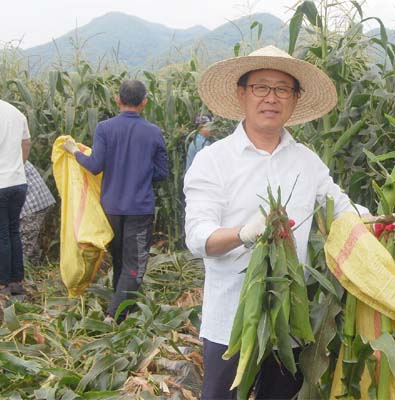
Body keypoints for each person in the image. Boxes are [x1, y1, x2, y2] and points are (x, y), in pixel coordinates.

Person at [184, 45, 370, 399]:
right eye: (261, 87)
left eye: (283, 89)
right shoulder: (213, 160)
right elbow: (197, 237)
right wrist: (243, 233)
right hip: (230, 321)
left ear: (295, 99)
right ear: (241, 93)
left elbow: (341, 209)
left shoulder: (306, 161)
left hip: (290, 322)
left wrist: (378, 221)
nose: (271, 98)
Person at [62, 80, 168, 322]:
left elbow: (95, 166)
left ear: (118, 100)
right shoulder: (153, 132)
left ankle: (122, 307)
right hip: (139, 208)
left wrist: (75, 151)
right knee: (135, 265)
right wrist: (141, 172)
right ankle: (113, 316)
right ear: (144, 102)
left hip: (111, 207)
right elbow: (162, 173)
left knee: (120, 259)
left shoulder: (104, 128)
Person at [0, 99, 31, 296]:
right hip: (18, 182)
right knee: (13, 230)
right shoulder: (15, 112)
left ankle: (2, 283)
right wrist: (19, 166)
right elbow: (26, 142)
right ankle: (16, 280)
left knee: (2, 233)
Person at [20, 161, 56, 266]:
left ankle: (26, 272)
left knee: (25, 246)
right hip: (30, 201)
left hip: (31, 202)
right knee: (28, 244)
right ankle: (34, 269)